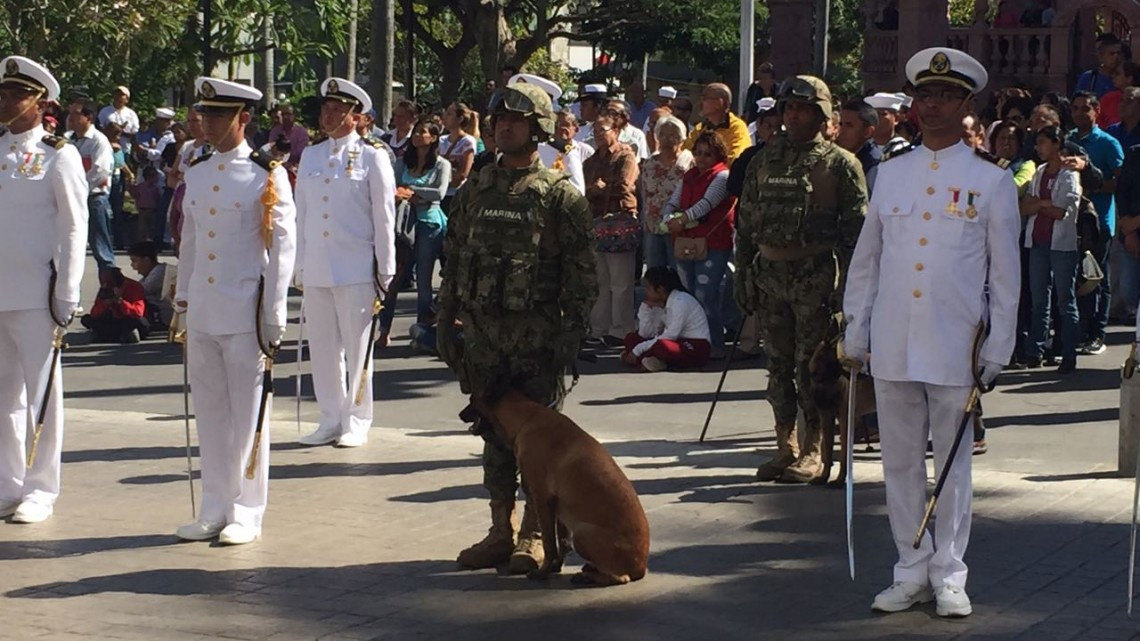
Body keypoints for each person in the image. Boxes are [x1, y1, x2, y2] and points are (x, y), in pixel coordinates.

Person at [843, 47, 1020, 618]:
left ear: (967, 104)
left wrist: (998, 347)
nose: (933, 105)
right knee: (897, 462)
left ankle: (949, 573)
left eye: (945, 95)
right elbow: (867, 261)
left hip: (954, 343)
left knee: (953, 463)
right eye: (925, 95)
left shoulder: (991, 182)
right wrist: (856, 328)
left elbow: (1006, 276)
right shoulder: (890, 174)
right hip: (894, 339)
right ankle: (909, 567)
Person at [436, 81, 596, 573]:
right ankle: (499, 529)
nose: (505, 126)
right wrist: (445, 320)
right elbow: (455, 257)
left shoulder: (560, 198)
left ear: (538, 128)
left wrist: (567, 340)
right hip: (484, 335)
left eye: (517, 120)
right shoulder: (474, 192)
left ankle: (536, 535)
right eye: (499, 119)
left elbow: (581, 277)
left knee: (539, 442)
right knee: (492, 433)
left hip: (536, 337)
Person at [173, 77, 296, 545]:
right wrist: (183, 297)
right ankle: (214, 505)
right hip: (204, 308)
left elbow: (284, 245)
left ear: (243, 119)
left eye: (219, 115)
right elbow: (190, 238)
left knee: (249, 413)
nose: (208, 123)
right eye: (205, 115)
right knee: (210, 411)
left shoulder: (267, 172)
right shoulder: (199, 170)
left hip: (245, 308)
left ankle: (247, 509)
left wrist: (274, 310)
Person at [735, 75, 867, 484]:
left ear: (822, 114)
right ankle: (784, 445)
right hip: (770, 276)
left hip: (816, 281)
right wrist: (743, 276)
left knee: (812, 369)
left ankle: (814, 449)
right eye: (788, 108)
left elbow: (857, 238)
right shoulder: (762, 161)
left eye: (803, 109)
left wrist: (850, 293)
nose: (794, 115)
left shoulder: (841, 165)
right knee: (776, 366)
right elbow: (745, 224)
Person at [0, 56, 87, 524]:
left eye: (16, 94)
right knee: (2, 395)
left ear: (39, 102)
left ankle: (40, 488)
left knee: (42, 394)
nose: (6, 101)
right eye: (4, 92)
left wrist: (68, 291)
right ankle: (8, 482)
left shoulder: (59, 154)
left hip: (37, 291)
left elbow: (75, 227)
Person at [293, 78, 395, 449]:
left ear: (356, 117)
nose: (328, 115)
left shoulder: (372, 155)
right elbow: (301, 214)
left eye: (337, 110)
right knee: (323, 349)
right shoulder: (312, 155)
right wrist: (299, 264)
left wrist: (386, 268)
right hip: (319, 266)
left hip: (355, 267)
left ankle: (357, 420)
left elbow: (383, 216)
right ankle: (330, 418)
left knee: (358, 349)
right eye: (325, 109)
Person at [661, 130, 735, 358]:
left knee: (706, 294)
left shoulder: (722, 177)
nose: (702, 158)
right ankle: (693, 341)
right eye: (699, 153)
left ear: (717, 155)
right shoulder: (690, 176)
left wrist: (681, 219)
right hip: (684, 241)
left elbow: (707, 204)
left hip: (712, 244)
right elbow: (673, 201)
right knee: (689, 294)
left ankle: (715, 342)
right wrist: (667, 217)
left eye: (708, 154)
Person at [1020, 126, 1083, 372]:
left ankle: (1069, 353)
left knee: (1065, 300)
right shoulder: (1039, 172)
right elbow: (1025, 207)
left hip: (1061, 245)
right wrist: (1043, 204)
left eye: (1043, 142)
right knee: (1039, 300)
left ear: (1057, 144)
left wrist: (1040, 204)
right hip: (1037, 242)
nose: (1039, 148)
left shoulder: (1069, 175)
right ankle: (1035, 350)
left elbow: (1062, 212)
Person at [1069, 92, 1123, 356]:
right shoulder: (1067, 140)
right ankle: (1078, 331)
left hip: (1099, 220)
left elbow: (1120, 181)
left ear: (1096, 110)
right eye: (1075, 108)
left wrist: (1093, 182)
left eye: (1085, 109)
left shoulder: (1107, 143)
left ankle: (1097, 334)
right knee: (1076, 280)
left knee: (1097, 278)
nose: (1080, 113)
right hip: (1071, 222)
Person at [385, 115, 451, 332]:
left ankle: (423, 327)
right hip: (403, 225)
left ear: (433, 138)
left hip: (428, 224)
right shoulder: (403, 163)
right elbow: (394, 187)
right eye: (415, 132)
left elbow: (439, 194)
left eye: (422, 132)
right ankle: (384, 330)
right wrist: (410, 194)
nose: (417, 136)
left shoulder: (442, 165)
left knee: (423, 277)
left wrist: (411, 191)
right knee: (394, 277)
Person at [583, 107, 640, 346]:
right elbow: (585, 190)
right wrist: (594, 190)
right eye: (594, 130)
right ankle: (599, 328)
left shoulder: (626, 156)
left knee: (621, 281)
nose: (597, 133)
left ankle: (621, 329)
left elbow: (626, 186)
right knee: (600, 280)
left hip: (619, 221)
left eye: (602, 129)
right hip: (596, 222)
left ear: (615, 131)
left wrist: (601, 188)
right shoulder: (590, 161)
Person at [621, 266, 711, 371]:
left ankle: (644, 359)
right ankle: (653, 361)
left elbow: (671, 335)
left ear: (660, 290)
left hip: (694, 345)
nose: (646, 292)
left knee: (662, 346)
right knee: (631, 338)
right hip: (675, 340)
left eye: (648, 288)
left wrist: (637, 350)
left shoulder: (680, 301)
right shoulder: (661, 302)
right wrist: (645, 309)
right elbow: (647, 334)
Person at [65, 97, 115, 272]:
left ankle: (110, 292)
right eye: (69, 113)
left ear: (90, 118)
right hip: (72, 200)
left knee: (102, 250)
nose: (70, 118)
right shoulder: (68, 140)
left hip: (94, 199)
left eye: (76, 114)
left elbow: (99, 172)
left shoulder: (98, 141)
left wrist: (77, 190)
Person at [639, 116, 692, 270]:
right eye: (663, 135)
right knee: (655, 274)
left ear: (682, 138)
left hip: (678, 227)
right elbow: (644, 193)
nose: (667, 140)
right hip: (653, 226)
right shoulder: (650, 163)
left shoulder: (688, 162)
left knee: (679, 273)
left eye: (673, 136)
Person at [682, 83, 751, 163]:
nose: (699, 104)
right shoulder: (700, 128)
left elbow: (733, 159)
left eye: (704, 99)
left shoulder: (737, 127)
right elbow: (685, 153)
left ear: (719, 103)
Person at [80, 267, 148, 343]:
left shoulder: (134, 286)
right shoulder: (105, 289)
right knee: (87, 319)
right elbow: (94, 313)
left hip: (126, 318)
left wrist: (121, 302)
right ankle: (112, 335)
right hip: (110, 320)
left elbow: (138, 312)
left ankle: (112, 335)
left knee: (140, 321)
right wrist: (105, 304)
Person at [538, 110, 594, 195]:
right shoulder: (540, 149)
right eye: (558, 125)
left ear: (576, 129)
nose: (562, 129)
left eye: (566, 125)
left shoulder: (585, 151)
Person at [837, 99, 881, 194]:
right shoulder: (837, 155)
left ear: (868, 132)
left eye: (849, 125)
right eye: (840, 124)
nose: (841, 130)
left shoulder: (874, 167)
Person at [441, 102, 478, 210]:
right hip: (440, 192)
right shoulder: (441, 140)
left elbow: (463, 173)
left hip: (456, 194)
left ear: (460, 119)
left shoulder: (467, 142)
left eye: (449, 114)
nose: (445, 117)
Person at [127, 241, 172, 328]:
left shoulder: (159, 273)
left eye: (134, 261)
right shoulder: (148, 276)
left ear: (147, 260)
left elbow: (139, 292)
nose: (132, 265)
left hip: (163, 317)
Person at [1075, 33, 1125, 98]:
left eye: (1118, 53)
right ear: (1100, 56)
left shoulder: (1125, 78)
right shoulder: (1089, 77)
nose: (1116, 57)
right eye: (1112, 53)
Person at [865, 92, 912, 159]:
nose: (876, 119)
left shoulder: (904, 149)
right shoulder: (862, 147)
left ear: (896, 119)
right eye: (872, 115)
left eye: (882, 114)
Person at [267, 104, 309, 172]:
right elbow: (272, 149)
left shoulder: (302, 132)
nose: (285, 117)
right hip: (277, 166)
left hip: (296, 168)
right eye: (283, 114)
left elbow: (301, 153)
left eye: (288, 114)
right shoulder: (275, 131)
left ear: (294, 116)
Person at [97, 85, 139, 151]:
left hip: (125, 148)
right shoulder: (105, 111)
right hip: (107, 147)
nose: (118, 96)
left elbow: (136, 133)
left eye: (121, 95)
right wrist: (110, 132)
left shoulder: (131, 114)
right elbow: (99, 128)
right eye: (117, 94)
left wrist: (120, 132)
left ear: (127, 99)